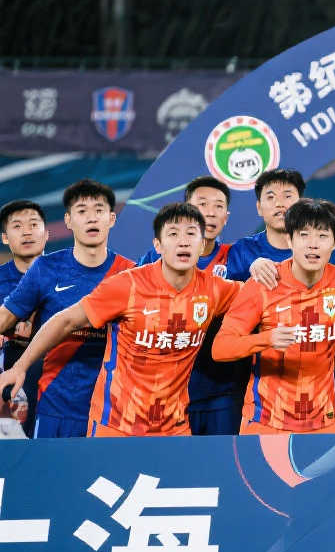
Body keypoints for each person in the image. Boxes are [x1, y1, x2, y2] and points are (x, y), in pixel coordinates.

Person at [0, 203, 239, 437]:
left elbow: (256, 296)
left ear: (202, 244)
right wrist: (20, 367)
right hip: (114, 427)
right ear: (158, 245)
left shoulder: (216, 290)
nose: (183, 242)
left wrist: (258, 265)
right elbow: (65, 321)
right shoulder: (127, 285)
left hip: (174, 429)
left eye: (191, 234)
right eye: (173, 234)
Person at [0, 180, 134, 438]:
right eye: (82, 211)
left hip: (112, 409)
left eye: (99, 210)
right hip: (55, 407)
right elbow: (5, 318)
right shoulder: (46, 269)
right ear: (68, 221)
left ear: (112, 219)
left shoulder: (131, 273)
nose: (91, 218)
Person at [212, 199, 335, 434]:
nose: (313, 245)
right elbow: (221, 348)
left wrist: (327, 365)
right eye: (304, 235)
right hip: (266, 421)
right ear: (289, 240)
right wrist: (267, 339)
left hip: (324, 421)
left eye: (322, 236)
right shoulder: (263, 283)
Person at [137, 176, 239, 435]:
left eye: (218, 206)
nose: (210, 212)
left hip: (221, 393)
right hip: (166, 394)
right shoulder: (152, 260)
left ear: (226, 217)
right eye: (202, 204)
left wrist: (261, 265)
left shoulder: (240, 256)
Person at [225, 168, 335, 283]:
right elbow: (230, 294)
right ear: (259, 207)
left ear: (301, 203)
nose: (279, 204)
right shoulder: (242, 250)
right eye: (271, 197)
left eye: (287, 196)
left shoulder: (327, 251)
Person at [0, 200, 48, 435]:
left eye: (33, 224)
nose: (27, 232)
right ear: (5, 238)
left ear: (47, 234)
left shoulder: (69, 274)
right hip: (10, 381)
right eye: (17, 226)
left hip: (60, 380)